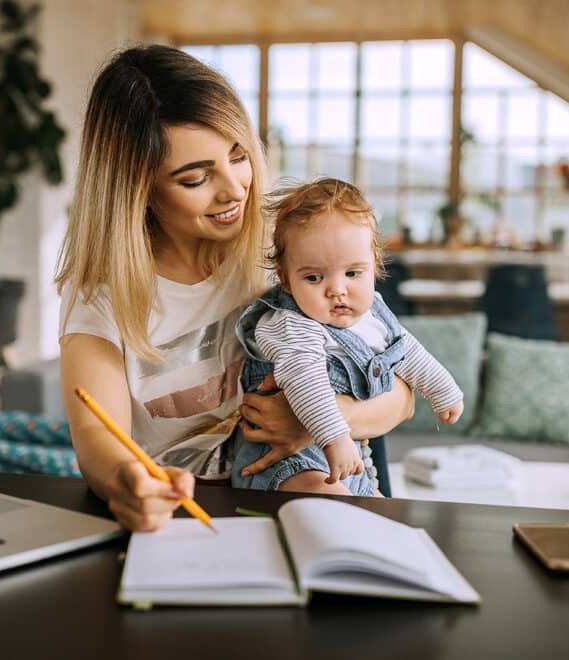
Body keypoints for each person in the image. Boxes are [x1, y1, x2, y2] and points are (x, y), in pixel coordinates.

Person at [54, 45, 415, 532]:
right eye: (196, 178)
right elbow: (97, 432)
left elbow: (402, 393)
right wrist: (127, 481)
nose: (235, 189)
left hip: (308, 496)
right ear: (138, 187)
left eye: (239, 155)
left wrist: (320, 420)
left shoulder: (286, 249)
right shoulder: (102, 295)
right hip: (188, 522)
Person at [233, 178, 465, 496]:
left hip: (351, 461)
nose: (337, 289)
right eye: (314, 277)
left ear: (375, 267)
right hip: (292, 464)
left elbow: (405, 350)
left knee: (384, 523)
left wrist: (442, 388)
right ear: (286, 280)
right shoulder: (291, 325)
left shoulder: (373, 316)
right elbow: (305, 380)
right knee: (339, 508)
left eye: (353, 273)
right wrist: (336, 438)